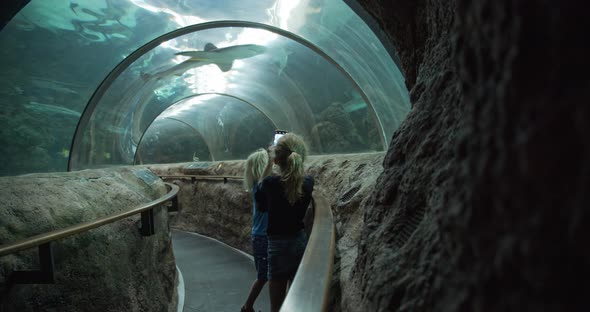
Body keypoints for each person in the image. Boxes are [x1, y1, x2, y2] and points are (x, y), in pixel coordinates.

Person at [255, 133, 314, 312]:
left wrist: (266, 167)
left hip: (277, 245)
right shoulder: (309, 182)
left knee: (276, 305)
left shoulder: (270, 183)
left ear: (276, 159)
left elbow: (262, 206)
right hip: (300, 241)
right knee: (297, 296)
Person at [241, 148, 271, 312]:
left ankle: (248, 307)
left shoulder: (258, 187)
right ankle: (247, 307)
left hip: (260, 236)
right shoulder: (260, 188)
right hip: (262, 237)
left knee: (265, 275)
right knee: (263, 276)